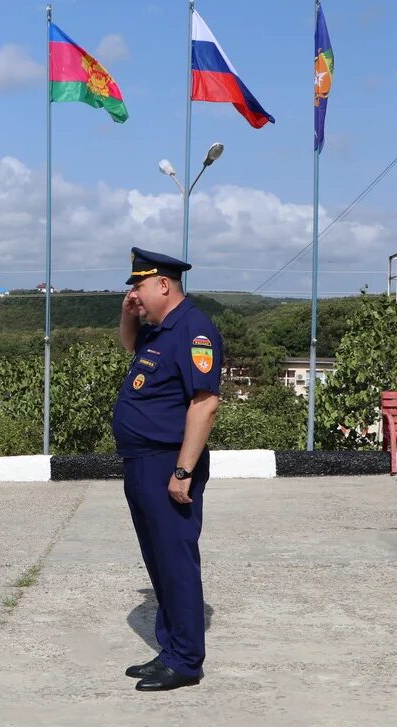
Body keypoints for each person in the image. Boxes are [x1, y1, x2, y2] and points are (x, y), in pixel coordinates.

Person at [111, 248, 222, 692]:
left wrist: (183, 471)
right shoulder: (159, 329)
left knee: (175, 562)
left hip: (167, 464)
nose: (133, 293)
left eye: (137, 286)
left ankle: (186, 661)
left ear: (163, 284)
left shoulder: (194, 330)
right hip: (141, 463)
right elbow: (127, 344)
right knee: (158, 562)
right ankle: (170, 650)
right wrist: (129, 314)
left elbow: (205, 403)